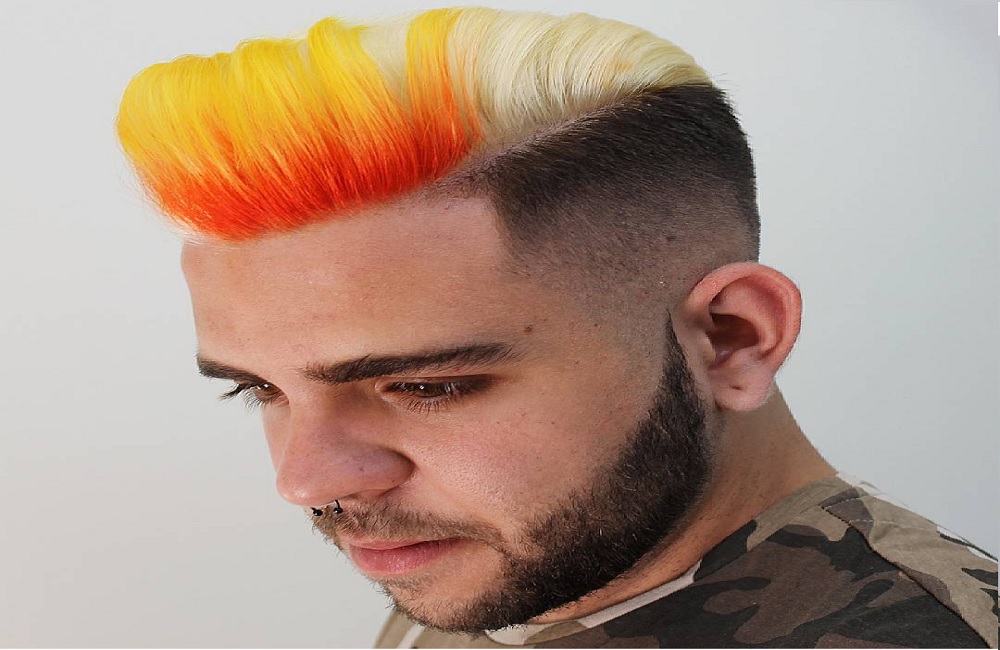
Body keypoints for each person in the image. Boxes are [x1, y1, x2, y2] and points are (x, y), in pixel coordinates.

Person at [115, 7, 997, 648]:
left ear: (732, 338)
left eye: (426, 386)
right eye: (260, 389)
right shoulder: (515, 564)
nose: (307, 480)